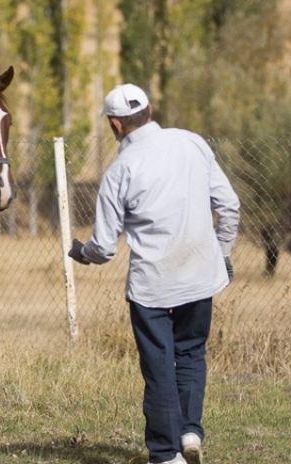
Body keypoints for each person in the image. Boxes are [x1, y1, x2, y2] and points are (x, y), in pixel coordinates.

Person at [69, 83, 240, 464]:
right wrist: (222, 254)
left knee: (159, 364)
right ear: (148, 109)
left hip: (153, 287)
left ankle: (165, 454)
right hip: (200, 272)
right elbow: (229, 205)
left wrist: (83, 254)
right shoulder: (192, 143)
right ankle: (190, 432)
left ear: (115, 125)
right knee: (192, 352)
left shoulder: (119, 172)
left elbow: (105, 246)